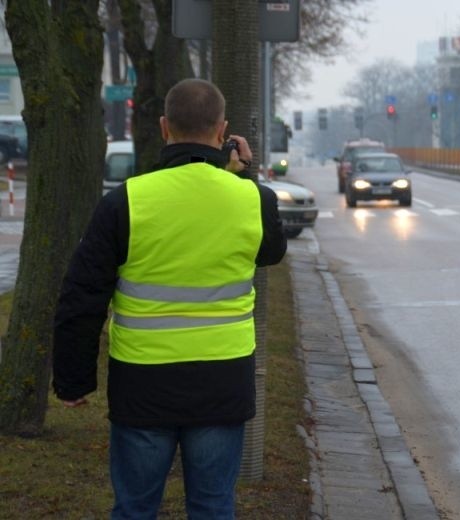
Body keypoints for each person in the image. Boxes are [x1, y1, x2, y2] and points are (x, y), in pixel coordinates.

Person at [52, 78, 287, 519]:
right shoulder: (253, 200)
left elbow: (82, 296)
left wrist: (73, 379)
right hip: (222, 381)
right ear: (223, 132)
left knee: (136, 508)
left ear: (163, 128)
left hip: (143, 385)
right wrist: (245, 176)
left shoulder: (126, 202)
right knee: (213, 506)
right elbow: (271, 252)